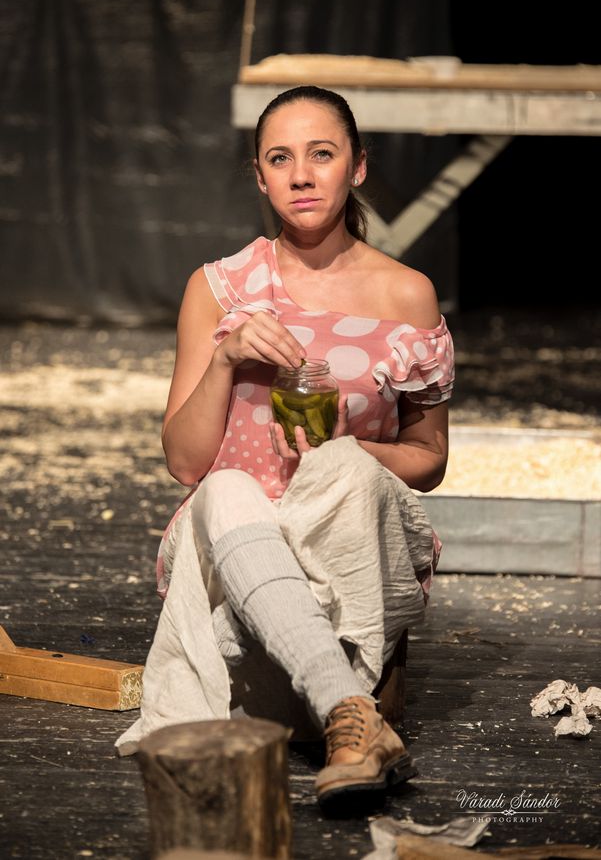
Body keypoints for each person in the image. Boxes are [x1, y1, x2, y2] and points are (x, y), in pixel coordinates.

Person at [143, 85, 454, 808]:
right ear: (259, 176)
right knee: (224, 486)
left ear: (358, 167)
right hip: (239, 567)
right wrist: (226, 358)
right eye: (280, 159)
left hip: (350, 567)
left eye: (322, 154)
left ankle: (338, 698)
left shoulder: (406, 296)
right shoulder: (220, 289)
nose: (302, 175)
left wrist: (345, 448)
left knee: (343, 463)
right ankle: (349, 713)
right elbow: (185, 465)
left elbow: (429, 459)